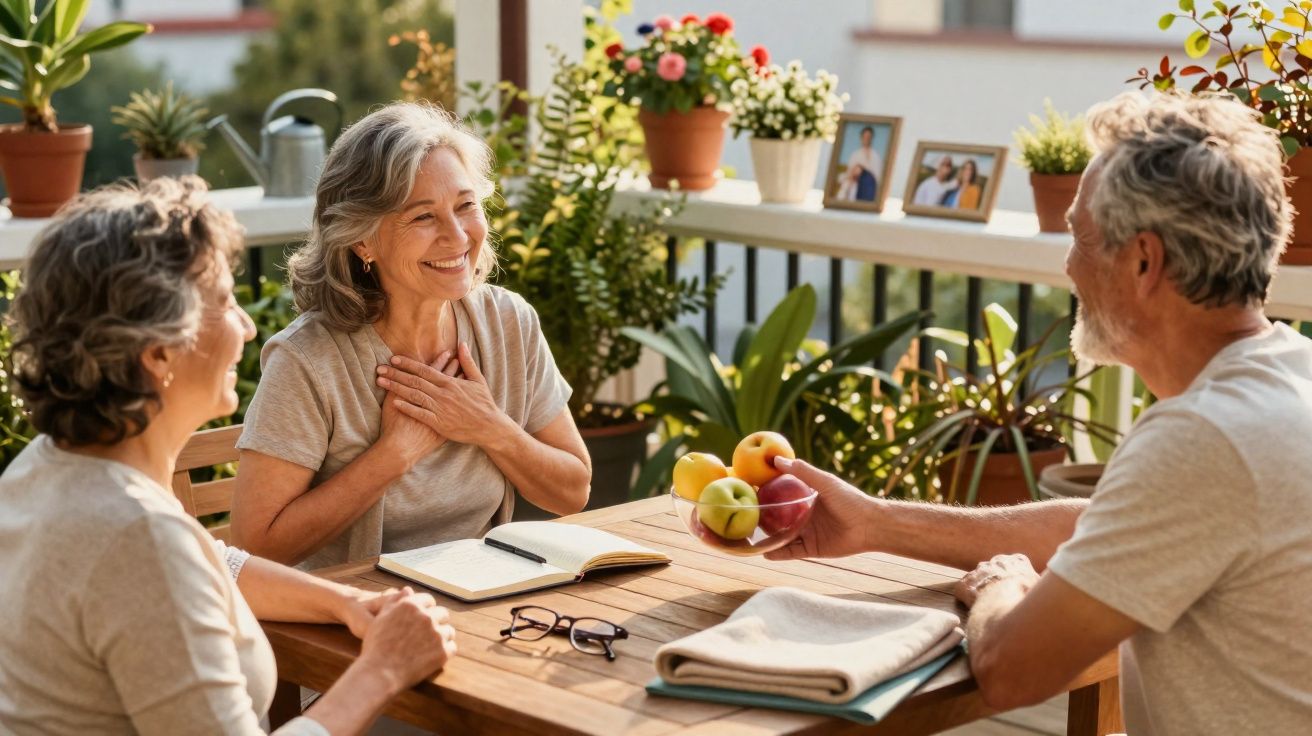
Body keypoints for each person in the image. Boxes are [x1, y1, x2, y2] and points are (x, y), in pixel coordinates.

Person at [769, 91, 1312, 734]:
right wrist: (876, 522)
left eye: (1080, 236)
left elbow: (1008, 667)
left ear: (1144, 261)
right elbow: (1100, 526)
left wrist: (1002, 584)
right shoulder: (1287, 376)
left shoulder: (1204, 438)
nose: (1067, 264)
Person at [0, 178, 458, 734]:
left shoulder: (48, 468)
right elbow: (160, 561)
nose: (245, 325)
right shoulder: (137, 536)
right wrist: (383, 669)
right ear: (158, 351)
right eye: (223, 301)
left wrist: (344, 603)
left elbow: (210, 561)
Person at [231, 102, 592, 569]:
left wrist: (489, 426)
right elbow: (253, 549)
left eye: (466, 206)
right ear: (362, 240)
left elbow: (572, 490)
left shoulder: (508, 323)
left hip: (481, 598)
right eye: (423, 217)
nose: (457, 236)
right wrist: (393, 454)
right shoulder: (310, 360)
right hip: (349, 616)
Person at [837, 126, 881, 202]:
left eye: (869, 137)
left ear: (871, 138)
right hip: (855, 183)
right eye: (865, 137)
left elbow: (878, 175)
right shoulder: (855, 154)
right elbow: (850, 171)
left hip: (870, 186)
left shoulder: (875, 156)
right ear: (861, 137)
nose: (866, 139)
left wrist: (865, 173)